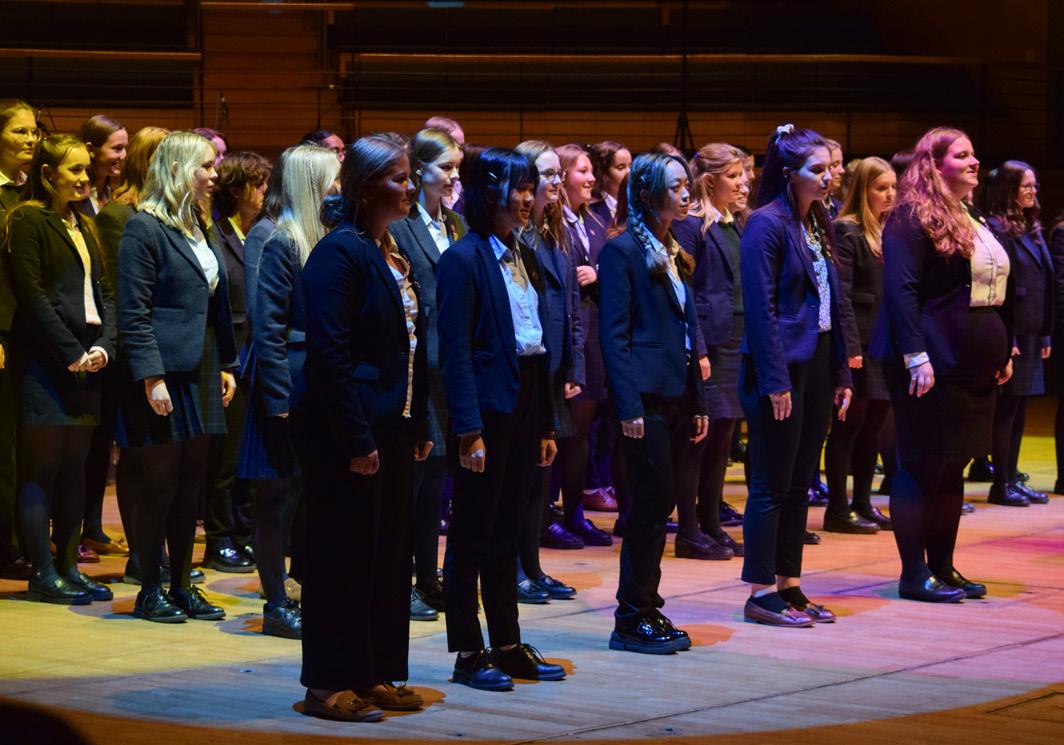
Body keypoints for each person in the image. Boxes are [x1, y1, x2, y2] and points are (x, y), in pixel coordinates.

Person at [296, 134, 432, 721]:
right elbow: (331, 354)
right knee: (341, 558)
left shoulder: (388, 249)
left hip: (391, 426)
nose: (409, 186)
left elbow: (408, 346)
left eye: (409, 176)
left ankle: (371, 671)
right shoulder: (339, 253)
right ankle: (327, 685)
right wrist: (356, 437)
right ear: (366, 186)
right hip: (347, 433)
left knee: (386, 555)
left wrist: (417, 419)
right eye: (399, 177)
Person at [437, 147, 565, 691]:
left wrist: (546, 424)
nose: (528, 198)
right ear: (488, 192)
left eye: (531, 187)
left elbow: (537, 344)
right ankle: (469, 651)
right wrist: (468, 429)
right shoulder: (462, 259)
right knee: (472, 534)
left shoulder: (524, 252)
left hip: (526, 403)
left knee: (509, 531)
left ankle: (507, 643)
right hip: (485, 413)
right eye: (518, 187)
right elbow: (456, 352)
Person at [870, 127, 1013, 603]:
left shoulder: (970, 214)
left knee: (953, 465)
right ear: (934, 164)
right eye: (962, 155)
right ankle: (914, 574)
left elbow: (992, 287)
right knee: (922, 463)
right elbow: (902, 290)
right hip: (931, 359)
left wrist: (1004, 349)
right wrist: (915, 355)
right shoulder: (910, 216)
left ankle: (943, 567)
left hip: (972, 362)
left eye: (974, 154)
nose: (975, 162)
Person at [117, 130, 237, 623]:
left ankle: (183, 585)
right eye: (204, 166)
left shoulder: (198, 225)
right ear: (176, 170)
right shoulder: (143, 228)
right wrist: (151, 376)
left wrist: (226, 364)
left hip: (202, 366)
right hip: (163, 372)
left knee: (191, 486)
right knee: (159, 486)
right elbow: (133, 312)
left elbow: (213, 305)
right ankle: (150, 588)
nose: (213, 175)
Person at [739, 125, 853, 628]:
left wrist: (842, 370)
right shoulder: (766, 224)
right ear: (789, 173)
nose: (829, 177)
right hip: (780, 368)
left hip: (817, 362)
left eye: (830, 168)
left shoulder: (818, 220)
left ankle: (790, 584)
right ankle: (760, 591)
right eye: (818, 169)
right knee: (772, 483)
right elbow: (760, 310)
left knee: (801, 480)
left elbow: (833, 301)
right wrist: (775, 379)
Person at [598, 152, 708, 653]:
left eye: (687, 185)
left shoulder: (675, 246)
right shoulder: (621, 251)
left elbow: (687, 331)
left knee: (661, 502)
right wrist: (628, 407)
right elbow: (614, 335)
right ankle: (631, 617)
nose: (685, 194)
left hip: (674, 391)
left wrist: (698, 399)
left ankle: (647, 606)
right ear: (646, 194)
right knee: (649, 504)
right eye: (675, 186)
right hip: (642, 397)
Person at [3, 134, 116, 604]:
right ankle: (43, 571)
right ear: (48, 174)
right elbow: (32, 296)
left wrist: (105, 346)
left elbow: (105, 294)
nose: (86, 178)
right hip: (46, 362)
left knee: (75, 470)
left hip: (87, 359)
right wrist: (70, 351)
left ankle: (69, 567)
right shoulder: (27, 219)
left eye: (87, 169)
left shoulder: (83, 223)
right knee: (43, 469)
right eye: (75, 170)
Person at [239, 144, 338, 639]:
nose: (339, 188)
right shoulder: (279, 239)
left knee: (303, 494)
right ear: (310, 185)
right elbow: (268, 327)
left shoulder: (323, 236)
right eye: (332, 179)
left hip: (314, 385)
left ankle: (302, 589)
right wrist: (278, 400)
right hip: (284, 388)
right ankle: (275, 602)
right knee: (276, 498)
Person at [388, 127, 466, 622]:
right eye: (447, 167)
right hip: (418, 365)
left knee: (437, 479)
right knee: (414, 482)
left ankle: (427, 578)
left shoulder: (455, 223)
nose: (455, 176)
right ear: (420, 170)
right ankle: (401, 583)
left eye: (459, 167)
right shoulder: (401, 224)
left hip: (452, 365)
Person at [90, 126, 169, 581]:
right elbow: (121, 298)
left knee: (165, 459)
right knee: (138, 456)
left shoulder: (176, 216)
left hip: (172, 353)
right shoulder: (118, 215)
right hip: (137, 354)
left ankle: (160, 553)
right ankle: (142, 556)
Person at [672, 142, 749, 560]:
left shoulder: (733, 222)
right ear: (708, 180)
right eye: (733, 176)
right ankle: (688, 529)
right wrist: (697, 346)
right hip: (709, 342)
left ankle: (711, 523)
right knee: (698, 437)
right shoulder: (691, 225)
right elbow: (687, 293)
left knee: (723, 435)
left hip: (736, 338)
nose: (742, 183)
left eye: (742, 175)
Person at [512, 139, 582, 603]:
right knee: (522, 475)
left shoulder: (557, 232)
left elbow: (570, 306)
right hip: (527, 368)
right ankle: (515, 568)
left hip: (554, 369)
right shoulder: (518, 235)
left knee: (541, 476)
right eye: (548, 174)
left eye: (559, 173)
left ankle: (532, 565)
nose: (557, 181)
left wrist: (574, 365)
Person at [203, 150, 271, 573]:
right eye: (257, 183)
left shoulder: (259, 233)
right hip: (229, 354)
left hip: (256, 355)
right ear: (236, 189)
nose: (264, 190)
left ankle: (244, 534)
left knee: (249, 454)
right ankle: (219, 538)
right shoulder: (216, 233)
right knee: (225, 458)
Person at [823, 157, 897, 532]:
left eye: (893, 187)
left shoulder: (888, 230)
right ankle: (838, 508)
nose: (890, 194)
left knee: (874, 427)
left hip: (885, 344)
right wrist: (850, 347)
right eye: (881, 188)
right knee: (848, 426)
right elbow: (844, 297)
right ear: (862, 190)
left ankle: (863, 503)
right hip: (861, 343)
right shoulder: (847, 230)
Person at [552, 143, 616, 544]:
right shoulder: (553, 222)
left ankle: (574, 512)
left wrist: (597, 272)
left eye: (592, 171)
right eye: (582, 171)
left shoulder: (592, 220)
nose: (591, 178)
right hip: (568, 333)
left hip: (593, 332)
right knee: (565, 431)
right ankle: (551, 512)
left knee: (582, 431)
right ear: (562, 177)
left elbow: (606, 267)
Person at [983, 162, 1051, 506]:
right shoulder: (998, 229)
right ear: (1009, 189)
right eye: (1026, 186)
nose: (1033, 192)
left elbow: (1043, 282)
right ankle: (1001, 483)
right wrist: (1007, 340)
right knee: (1006, 410)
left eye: (1035, 186)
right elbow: (1003, 288)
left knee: (1019, 409)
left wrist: (1045, 334)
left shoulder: (1029, 227)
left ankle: (1012, 476)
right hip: (1012, 332)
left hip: (1030, 331)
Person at [0, 99, 39, 580]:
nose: (30, 139)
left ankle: (31, 541)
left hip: (39, 334)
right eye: (20, 131)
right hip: (5, 332)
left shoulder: (35, 192)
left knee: (33, 446)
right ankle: (6, 545)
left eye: (34, 132)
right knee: (6, 445)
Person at [78, 114, 127, 216]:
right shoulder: (76, 197)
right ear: (90, 149)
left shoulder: (112, 193)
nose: (124, 156)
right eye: (117, 148)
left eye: (125, 148)